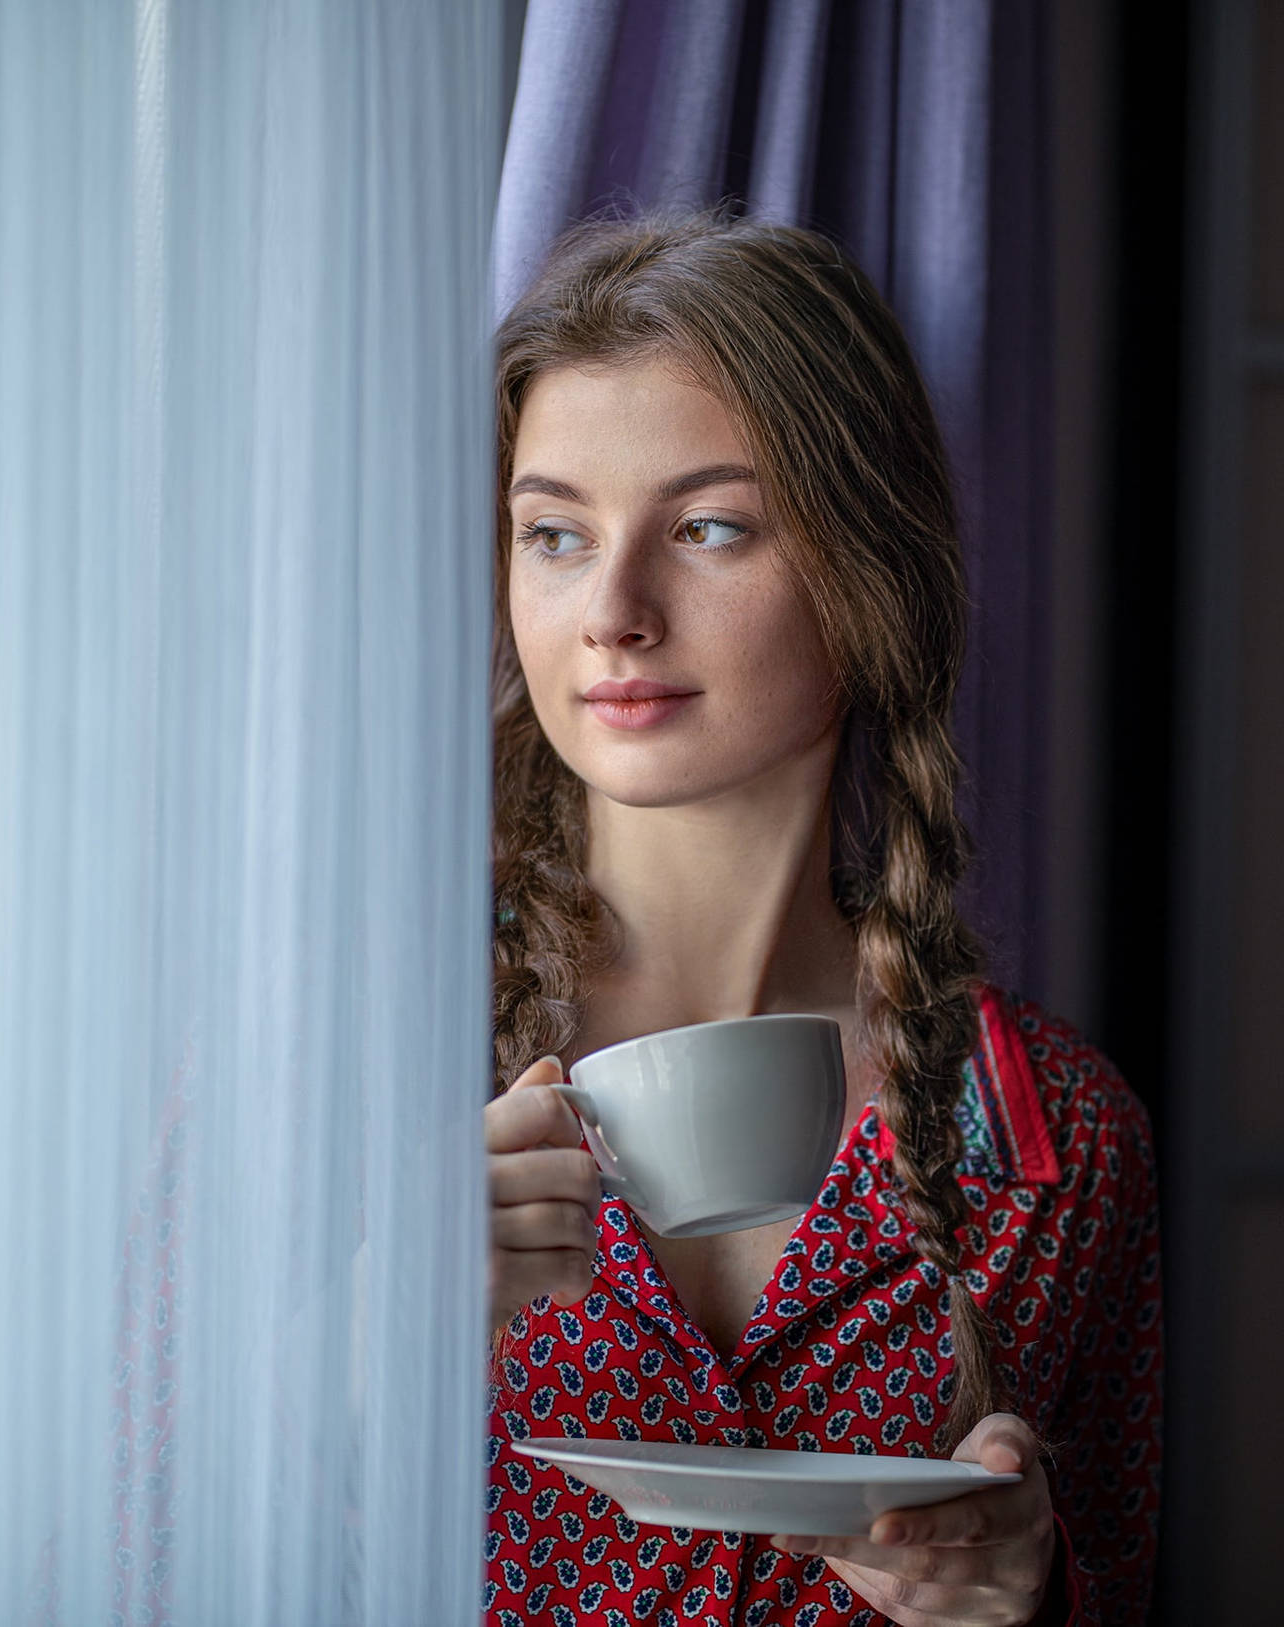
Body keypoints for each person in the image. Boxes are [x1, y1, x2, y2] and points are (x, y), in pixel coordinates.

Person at [482, 211, 1162, 1627]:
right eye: (554, 534)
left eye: (709, 527)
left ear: (868, 575)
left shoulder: (1059, 1137)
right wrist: (359, 1336)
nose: (612, 610)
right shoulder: (331, 1077)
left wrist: (1026, 1594)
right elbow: (117, 1539)